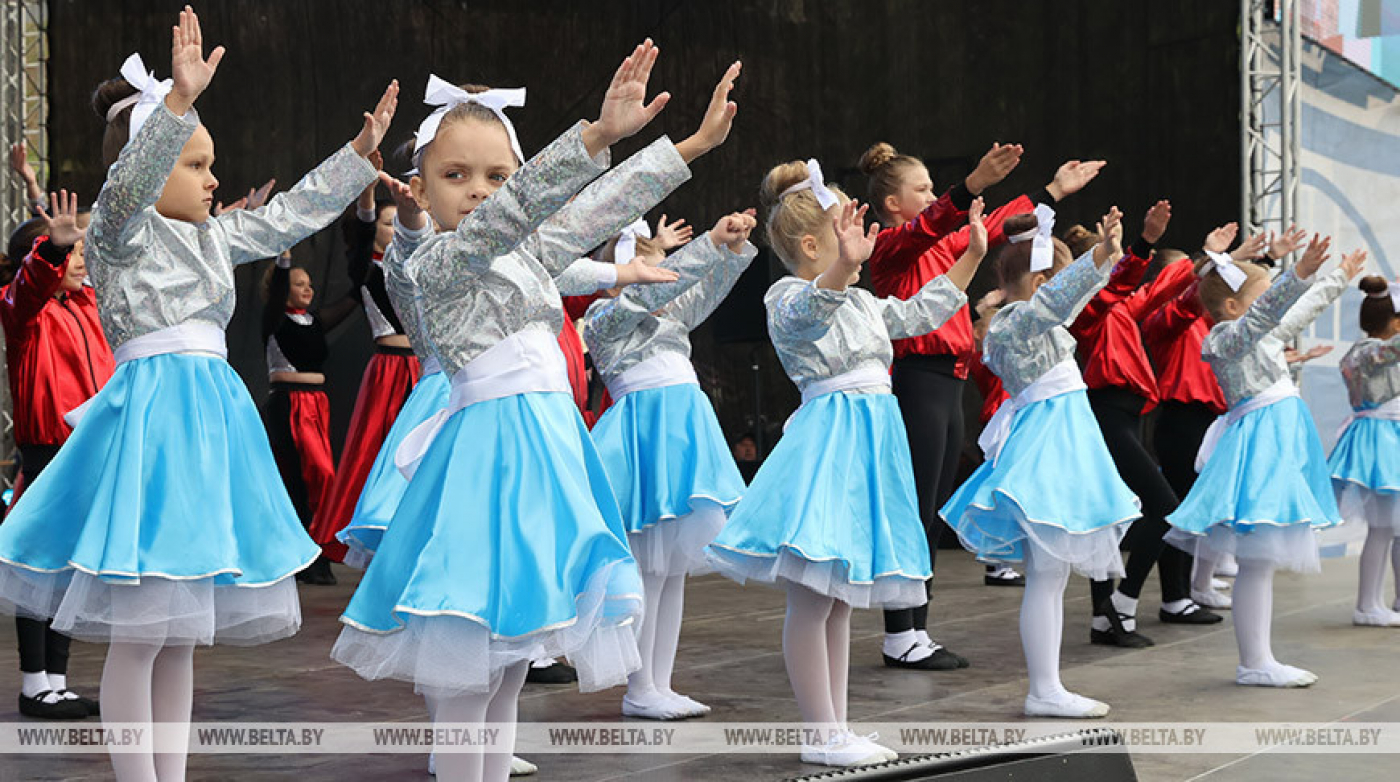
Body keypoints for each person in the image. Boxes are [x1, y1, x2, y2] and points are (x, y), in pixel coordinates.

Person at [0, 9, 394, 779]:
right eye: (196, 164)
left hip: (208, 430)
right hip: (150, 431)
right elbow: (125, 189)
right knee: (143, 631)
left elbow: (287, 214)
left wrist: (355, 157)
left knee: (180, 634)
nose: (214, 179)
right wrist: (175, 104)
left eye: (209, 165)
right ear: (150, 169)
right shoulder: (121, 231)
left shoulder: (214, 237)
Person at [331, 45, 739, 782]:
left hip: (547, 454)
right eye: (456, 176)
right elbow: (518, 214)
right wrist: (594, 137)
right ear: (418, 187)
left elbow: (588, 212)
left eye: (496, 176)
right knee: (468, 665)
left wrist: (690, 146)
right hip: (489, 457)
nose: (480, 193)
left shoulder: (521, 253)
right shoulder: (433, 265)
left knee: (516, 655)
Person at [708, 160, 988, 767]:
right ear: (813, 243)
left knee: (837, 598)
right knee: (813, 596)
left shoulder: (858, 297)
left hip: (870, 441)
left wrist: (970, 257)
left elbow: (917, 314)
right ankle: (819, 731)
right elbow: (810, 312)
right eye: (846, 225)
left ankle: (835, 726)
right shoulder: (787, 295)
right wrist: (844, 267)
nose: (859, 234)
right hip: (829, 442)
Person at [862, 141, 1104, 669]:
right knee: (914, 507)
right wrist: (967, 186)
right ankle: (900, 633)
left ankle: (916, 629)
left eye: (933, 187)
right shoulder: (889, 247)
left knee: (928, 512)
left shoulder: (945, 246)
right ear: (893, 206)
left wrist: (1051, 191)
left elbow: (993, 228)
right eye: (921, 190)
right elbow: (939, 223)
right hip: (917, 378)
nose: (931, 197)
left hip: (949, 384)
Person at [941, 207, 1139, 718]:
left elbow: (1068, 300)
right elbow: (1056, 301)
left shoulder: (1027, 318)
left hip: (1061, 435)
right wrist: (1098, 257)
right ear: (1043, 279)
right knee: (1047, 573)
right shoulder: (1016, 322)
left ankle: (1047, 686)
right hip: (1049, 441)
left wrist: (1108, 257)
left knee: (1050, 576)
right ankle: (1044, 688)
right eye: (1058, 276)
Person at [583, 203, 757, 720]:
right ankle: (640, 686)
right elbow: (644, 297)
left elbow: (704, 291)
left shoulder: (670, 316)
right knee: (645, 573)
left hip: (682, 439)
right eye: (644, 268)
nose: (661, 282)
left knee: (673, 572)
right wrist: (704, 241)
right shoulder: (603, 318)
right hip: (642, 440)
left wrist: (730, 249)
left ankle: (660, 681)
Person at [1167, 235, 1364, 687]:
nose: (1269, 308)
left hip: (1278, 438)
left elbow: (1297, 311)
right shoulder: (1227, 337)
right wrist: (1296, 275)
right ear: (1234, 307)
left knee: (1262, 562)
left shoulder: (1254, 331)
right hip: (1261, 443)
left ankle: (1259, 658)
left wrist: (1336, 278)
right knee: (1257, 559)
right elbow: (1267, 313)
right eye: (1261, 296)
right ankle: (1255, 661)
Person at [0, 191, 114, 719]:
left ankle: (57, 683)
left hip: (89, 455)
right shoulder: (24, 314)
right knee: (35, 574)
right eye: (68, 252)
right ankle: (33, 685)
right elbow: (29, 285)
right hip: (47, 457)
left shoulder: (87, 306)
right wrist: (49, 251)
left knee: (67, 573)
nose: (78, 258)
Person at [1328, 275, 1400, 626]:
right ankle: (1367, 605)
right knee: (1383, 527)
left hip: (1388, 435)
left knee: (1393, 527)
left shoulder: (1367, 351)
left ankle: (1391, 601)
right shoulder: (1368, 352)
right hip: (1379, 439)